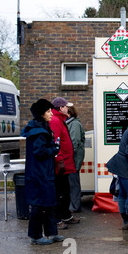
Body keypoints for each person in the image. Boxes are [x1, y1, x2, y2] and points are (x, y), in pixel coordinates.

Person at [21, 99, 64, 245]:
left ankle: (52, 233)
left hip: (44, 173)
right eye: (48, 111)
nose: (51, 114)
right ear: (41, 114)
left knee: (50, 203)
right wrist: (55, 149)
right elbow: (40, 151)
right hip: (40, 174)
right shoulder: (39, 132)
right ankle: (36, 236)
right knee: (39, 205)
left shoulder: (41, 128)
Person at [50, 97, 80, 229]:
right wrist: (59, 159)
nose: (68, 109)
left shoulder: (60, 120)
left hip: (64, 163)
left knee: (65, 191)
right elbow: (55, 142)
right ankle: (57, 219)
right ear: (61, 108)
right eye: (66, 106)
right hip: (60, 164)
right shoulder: (56, 121)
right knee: (59, 192)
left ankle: (65, 215)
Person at [66, 105, 85, 212]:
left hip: (73, 158)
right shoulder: (72, 123)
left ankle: (75, 207)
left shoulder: (74, 124)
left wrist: (68, 156)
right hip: (73, 158)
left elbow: (74, 141)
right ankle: (73, 205)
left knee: (73, 183)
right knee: (72, 182)